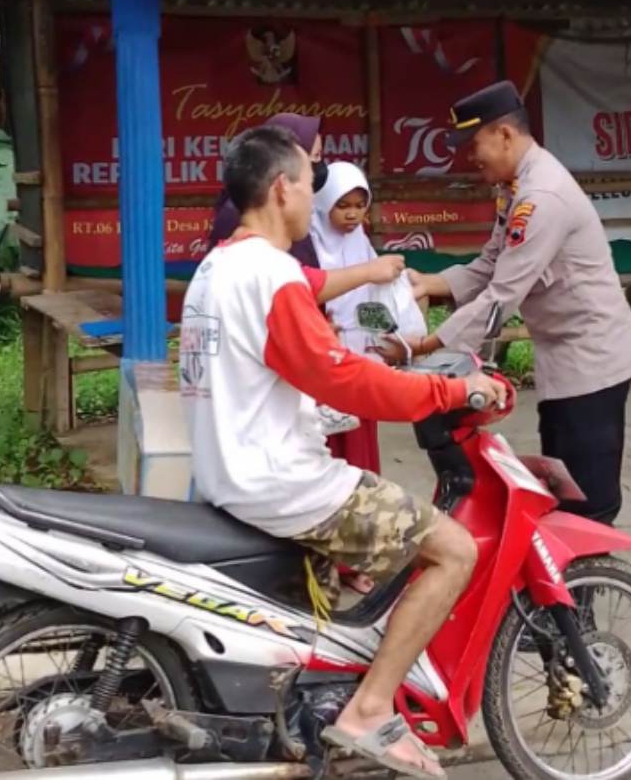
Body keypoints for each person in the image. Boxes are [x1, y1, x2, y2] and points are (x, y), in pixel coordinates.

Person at [180, 125, 505, 779]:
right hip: (283, 482)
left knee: (359, 565)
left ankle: (318, 699)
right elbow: (342, 374)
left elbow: (279, 376)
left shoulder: (214, 268)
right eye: (308, 179)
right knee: (453, 549)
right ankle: (370, 708)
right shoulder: (273, 276)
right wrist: (448, 389)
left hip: (227, 470)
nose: (313, 193)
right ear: (282, 190)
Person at [401, 81, 631, 526]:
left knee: (586, 501)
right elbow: (492, 264)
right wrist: (429, 284)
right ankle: (564, 592)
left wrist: (427, 345)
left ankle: (584, 589)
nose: (471, 157)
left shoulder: (541, 197)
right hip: (563, 356)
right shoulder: (516, 187)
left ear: (505, 135)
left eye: (475, 145)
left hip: (592, 361)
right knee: (560, 488)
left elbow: (502, 296)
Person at [310, 161, 428, 475]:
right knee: (327, 443)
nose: (352, 214)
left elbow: (373, 297)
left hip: (360, 352)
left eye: (360, 206)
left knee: (359, 439)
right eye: (343, 205)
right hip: (325, 352)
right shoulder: (309, 243)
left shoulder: (360, 242)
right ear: (323, 204)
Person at [207, 112, 329, 262]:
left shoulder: (291, 213)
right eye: (314, 155)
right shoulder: (238, 213)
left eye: (320, 155)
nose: (318, 164)